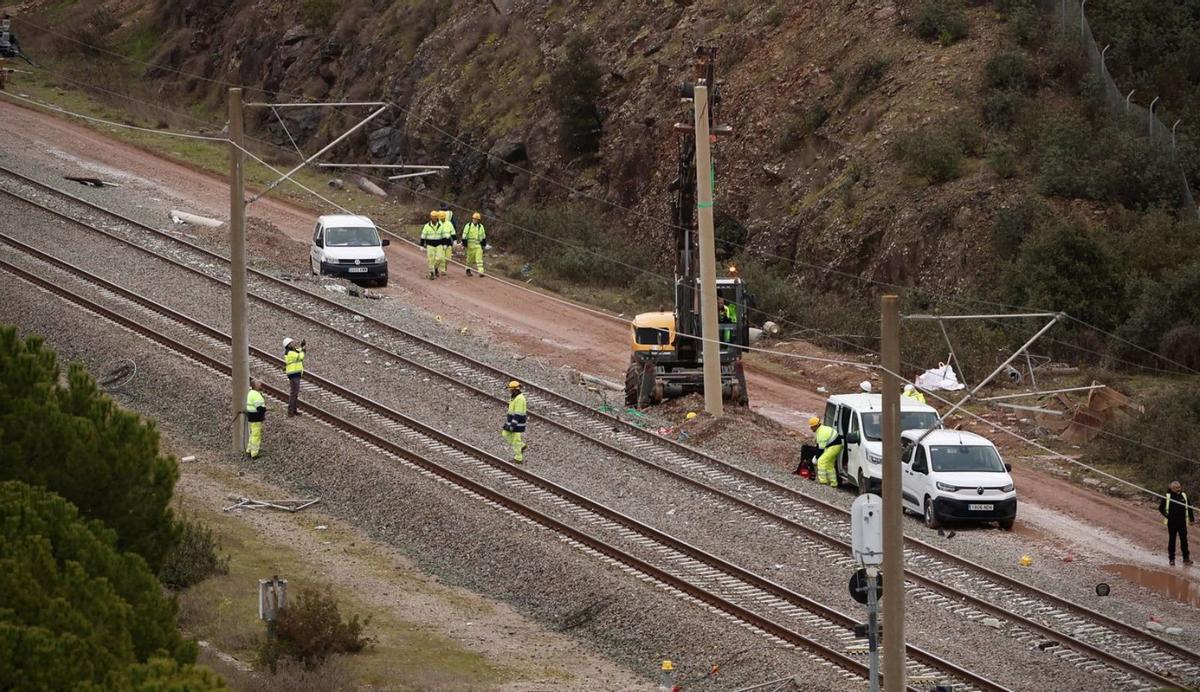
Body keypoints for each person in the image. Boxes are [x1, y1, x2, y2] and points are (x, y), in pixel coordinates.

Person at [1159, 480, 1195, 566]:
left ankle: (1186, 558)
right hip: (1172, 523)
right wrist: (1168, 516)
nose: (1178, 489)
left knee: (1184, 540)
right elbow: (1161, 508)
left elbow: (1189, 507)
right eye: (1176, 488)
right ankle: (1171, 559)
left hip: (1182, 522)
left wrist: (1191, 519)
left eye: (1179, 487)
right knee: (1172, 540)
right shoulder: (1167, 496)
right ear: (1171, 488)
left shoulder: (1184, 495)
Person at [808, 416, 843, 488]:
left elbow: (821, 449)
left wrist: (816, 458)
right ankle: (833, 484)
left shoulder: (821, 434)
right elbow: (818, 446)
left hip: (834, 447)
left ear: (815, 426)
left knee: (821, 461)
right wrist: (815, 455)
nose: (811, 429)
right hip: (834, 446)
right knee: (829, 464)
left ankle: (823, 482)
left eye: (811, 427)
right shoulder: (821, 430)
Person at [501, 380, 528, 463]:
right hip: (512, 422)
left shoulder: (519, 399)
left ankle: (518, 458)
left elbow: (518, 414)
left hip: (516, 423)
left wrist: (513, 425)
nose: (509, 391)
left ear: (514, 389)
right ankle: (522, 446)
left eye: (510, 389)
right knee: (505, 434)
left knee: (516, 440)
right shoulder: (514, 397)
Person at [283, 337, 305, 416]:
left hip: (295, 374)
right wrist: (303, 350)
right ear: (288, 345)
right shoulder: (290, 352)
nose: (294, 344)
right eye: (291, 343)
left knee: (295, 393)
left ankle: (293, 410)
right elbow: (300, 356)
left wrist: (302, 347)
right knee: (294, 393)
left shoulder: (291, 351)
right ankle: (291, 412)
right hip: (294, 374)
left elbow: (298, 351)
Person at [244, 378, 266, 459]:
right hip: (256, 418)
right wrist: (267, 409)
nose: (260, 384)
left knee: (252, 434)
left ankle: (249, 450)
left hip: (251, 417)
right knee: (256, 436)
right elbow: (259, 408)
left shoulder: (251, 393)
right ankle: (254, 454)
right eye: (258, 383)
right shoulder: (256, 395)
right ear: (255, 386)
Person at [461, 212, 487, 276]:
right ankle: (468, 270)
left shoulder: (481, 227)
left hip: (478, 246)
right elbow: (464, 235)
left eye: (477, 219)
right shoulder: (468, 226)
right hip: (470, 246)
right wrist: (464, 244)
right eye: (474, 219)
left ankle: (481, 272)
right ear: (472, 219)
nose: (475, 220)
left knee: (479, 259)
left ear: (478, 220)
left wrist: (483, 245)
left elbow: (483, 236)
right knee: (469, 259)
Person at [419, 211, 441, 279]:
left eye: (435, 217)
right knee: (431, 259)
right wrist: (421, 245)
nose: (434, 218)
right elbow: (423, 236)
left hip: (439, 245)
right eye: (433, 217)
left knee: (439, 258)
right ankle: (431, 273)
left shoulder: (440, 226)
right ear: (431, 217)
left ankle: (435, 268)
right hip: (430, 245)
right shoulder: (427, 226)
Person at [437, 208, 457, 276]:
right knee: (441, 257)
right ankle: (442, 270)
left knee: (448, 258)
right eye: (441, 218)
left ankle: (443, 267)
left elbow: (453, 232)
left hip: (448, 242)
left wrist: (455, 241)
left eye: (443, 218)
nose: (442, 219)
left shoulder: (449, 224)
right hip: (441, 243)